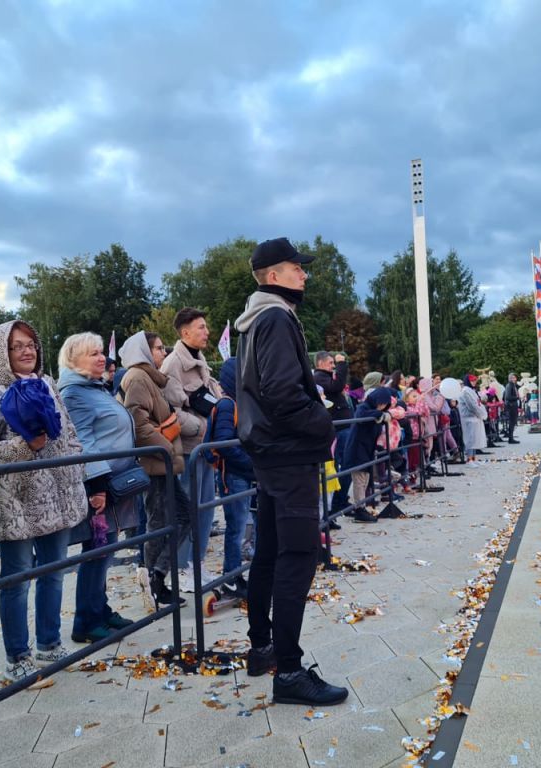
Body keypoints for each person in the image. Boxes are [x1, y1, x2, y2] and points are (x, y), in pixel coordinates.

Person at [235, 237, 347, 706]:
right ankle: (290, 671)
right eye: (297, 268)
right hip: (289, 452)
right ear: (274, 275)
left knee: (270, 551)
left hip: (270, 451)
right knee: (297, 556)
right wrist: (322, 422)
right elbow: (282, 392)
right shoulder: (277, 317)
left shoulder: (255, 319)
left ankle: (262, 649)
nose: (305, 274)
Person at [0, 320, 86, 683]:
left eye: (31, 343)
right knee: (17, 581)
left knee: (53, 574)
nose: (27, 350)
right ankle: (17, 655)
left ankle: (49, 643)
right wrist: (24, 446)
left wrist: (77, 470)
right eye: (16, 346)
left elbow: (69, 434)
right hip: (16, 501)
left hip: (57, 497)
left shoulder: (48, 384)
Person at [57, 333, 137, 643]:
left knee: (104, 549)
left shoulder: (93, 387)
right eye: (92, 353)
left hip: (111, 485)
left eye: (101, 352)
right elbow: (84, 442)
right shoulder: (75, 393)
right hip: (98, 487)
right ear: (72, 359)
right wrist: (97, 486)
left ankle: (100, 609)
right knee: (96, 549)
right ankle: (86, 621)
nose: (101, 357)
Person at [118, 331, 192, 607]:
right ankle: (152, 579)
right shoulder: (138, 377)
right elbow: (137, 422)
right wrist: (165, 445)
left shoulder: (149, 378)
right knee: (160, 521)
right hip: (155, 464)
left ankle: (157, 576)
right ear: (145, 352)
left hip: (163, 463)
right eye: (159, 348)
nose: (163, 352)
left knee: (180, 518)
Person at [160, 307, 222, 590]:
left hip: (206, 447)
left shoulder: (200, 359)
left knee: (207, 508)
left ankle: (195, 564)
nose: (206, 332)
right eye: (201, 327)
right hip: (188, 448)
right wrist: (202, 427)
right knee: (189, 510)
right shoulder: (173, 364)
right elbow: (169, 409)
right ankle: (181, 568)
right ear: (185, 332)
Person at [207, 357, 255, 597]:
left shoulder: (238, 402)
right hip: (233, 474)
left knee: (241, 525)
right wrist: (250, 463)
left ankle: (235, 573)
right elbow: (224, 442)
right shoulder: (228, 404)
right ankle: (231, 576)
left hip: (241, 472)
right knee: (236, 528)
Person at [343, 387, 394, 523]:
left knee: (364, 479)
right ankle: (359, 509)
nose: (382, 406)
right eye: (381, 403)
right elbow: (362, 417)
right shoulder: (363, 407)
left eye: (385, 405)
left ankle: (361, 506)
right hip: (357, 449)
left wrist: (384, 415)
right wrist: (379, 414)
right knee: (359, 480)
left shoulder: (375, 410)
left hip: (367, 450)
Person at [313, 352, 351, 514]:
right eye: (330, 363)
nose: (333, 365)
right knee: (338, 466)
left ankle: (338, 502)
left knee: (344, 465)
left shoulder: (326, 376)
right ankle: (335, 505)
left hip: (342, 427)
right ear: (320, 363)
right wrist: (342, 366)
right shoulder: (320, 377)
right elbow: (336, 387)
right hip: (337, 429)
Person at [458, 375, 487, 461]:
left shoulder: (471, 390)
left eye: (475, 380)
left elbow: (478, 403)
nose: (474, 382)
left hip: (474, 417)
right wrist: (481, 413)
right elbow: (472, 406)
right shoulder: (466, 391)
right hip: (469, 418)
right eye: (472, 380)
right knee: (470, 439)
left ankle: (473, 459)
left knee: (474, 439)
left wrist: (481, 413)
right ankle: (469, 460)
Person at [503, 373, 520, 444]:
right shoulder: (509, 385)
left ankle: (511, 437)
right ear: (509, 379)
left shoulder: (512, 385)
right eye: (512, 378)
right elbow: (507, 397)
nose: (514, 379)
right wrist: (517, 397)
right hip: (511, 406)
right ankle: (510, 438)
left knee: (513, 422)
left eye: (515, 377)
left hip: (513, 406)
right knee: (511, 422)